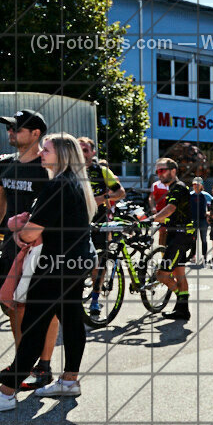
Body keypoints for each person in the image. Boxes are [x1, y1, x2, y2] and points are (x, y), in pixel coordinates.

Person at [0, 133, 97, 410]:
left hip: (53, 266)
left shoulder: (58, 184)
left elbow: (30, 233)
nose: (41, 153)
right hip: (74, 263)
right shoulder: (75, 183)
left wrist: (16, 229)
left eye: (47, 149)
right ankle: (69, 380)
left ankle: (7, 392)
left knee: (34, 326)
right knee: (72, 320)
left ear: (62, 155)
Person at [0, 110, 59, 390]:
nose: (10, 132)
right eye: (9, 128)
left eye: (17, 128)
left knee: (44, 308)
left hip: (42, 248)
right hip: (11, 246)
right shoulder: (4, 165)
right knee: (13, 306)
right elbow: (1, 203)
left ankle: (43, 366)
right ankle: (22, 362)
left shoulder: (47, 167)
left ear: (36, 134)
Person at [79, 136, 125, 318]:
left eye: (85, 150)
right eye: (79, 149)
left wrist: (101, 198)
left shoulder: (102, 171)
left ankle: (95, 299)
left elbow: (120, 192)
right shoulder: (70, 170)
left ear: (93, 153)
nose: (82, 154)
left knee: (98, 263)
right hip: (76, 221)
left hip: (99, 222)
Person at [148, 158, 194, 320]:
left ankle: (182, 302)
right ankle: (182, 310)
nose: (159, 174)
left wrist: (151, 218)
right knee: (179, 274)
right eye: (157, 172)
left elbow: (171, 209)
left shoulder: (178, 188)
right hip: (179, 235)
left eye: (162, 170)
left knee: (162, 275)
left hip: (180, 237)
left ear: (173, 171)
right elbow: (174, 214)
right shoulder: (174, 188)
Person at [191, 177, 213, 265]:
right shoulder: (190, 195)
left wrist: (209, 213)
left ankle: (204, 257)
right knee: (193, 239)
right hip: (193, 220)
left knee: (204, 239)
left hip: (203, 220)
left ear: (201, 185)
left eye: (197, 184)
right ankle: (193, 256)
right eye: (194, 184)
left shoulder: (206, 195)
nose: (195, 186)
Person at [150, 174, 169, 246]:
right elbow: (151, 197)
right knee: (162, 231)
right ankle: (161, 249)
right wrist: (152, 207)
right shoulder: (155, 185)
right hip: (160, 211)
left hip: (170, 210)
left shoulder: (171, 185)